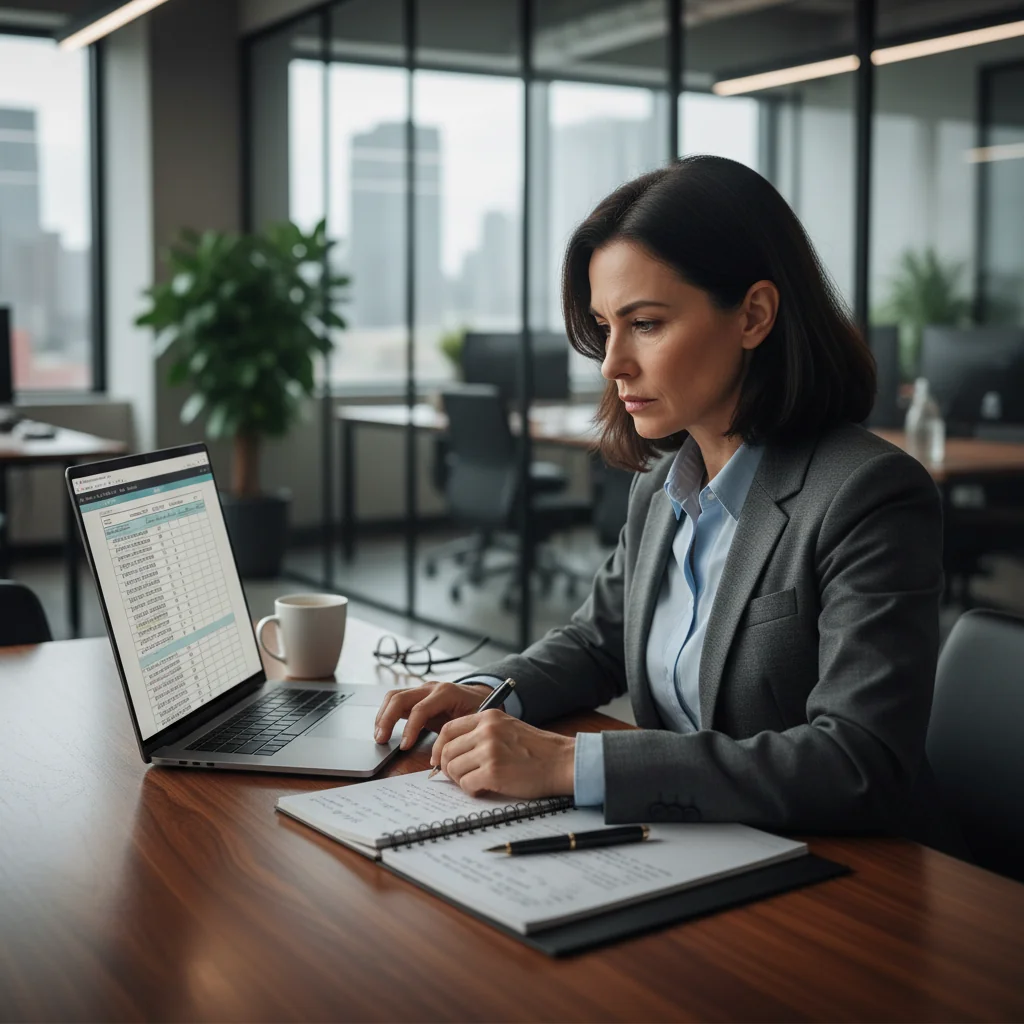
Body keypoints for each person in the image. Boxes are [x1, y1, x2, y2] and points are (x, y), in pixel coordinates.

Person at [373, 154, 955, 844]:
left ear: (754, 315)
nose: (611, 362)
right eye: (604, 326)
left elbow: (858, 760)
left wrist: (572, 763)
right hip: (696, 843)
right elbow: (599, 641)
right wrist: (488, 692)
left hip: (847, 872)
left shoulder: (867, 495)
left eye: (645, 323)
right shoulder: (662, 486)